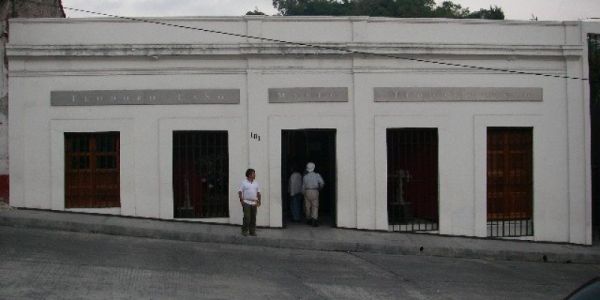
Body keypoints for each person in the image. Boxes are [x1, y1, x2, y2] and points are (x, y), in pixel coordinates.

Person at [238, 168, 261, 236]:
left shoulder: (256, 183)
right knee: (247, 217)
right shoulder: (243, 182)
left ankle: (252, 231)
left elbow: (258, 193)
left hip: (254, 202)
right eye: (253, 173)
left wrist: (259, 201)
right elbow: (240, 192)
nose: (255, 175)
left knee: (253, 218)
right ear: (249, 175)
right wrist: (241, 200)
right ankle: (244, 230)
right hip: (246, 202)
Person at [302, 162, 324, 227]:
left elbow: (303, 186)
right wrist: (319, 189)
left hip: (307, 191)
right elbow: (322, 183)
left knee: (307, 206)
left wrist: (303, 193)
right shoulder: (317, 175)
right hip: (315, 190)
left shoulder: (305, 177)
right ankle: (314, 219)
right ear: (314, 168)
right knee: (315, 206)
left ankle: (308, 219)